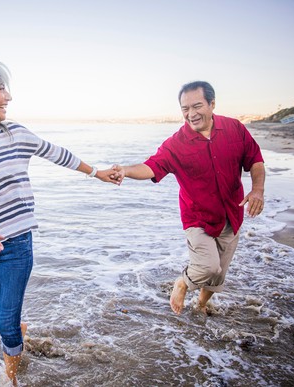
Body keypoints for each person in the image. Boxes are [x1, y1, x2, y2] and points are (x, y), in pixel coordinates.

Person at [0, 59, 118, 385]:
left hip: (17, 244)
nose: (8, 96)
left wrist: (97, 173)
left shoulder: (15, 135)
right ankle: (16, 331)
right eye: (1, 89)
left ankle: (10, 380)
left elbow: (57, 153)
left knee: (7, 324)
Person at [111, 81, 265, 315]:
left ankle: (201, 305)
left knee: (218, 273)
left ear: (212, 104)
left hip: (232, 214)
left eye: (197, 106)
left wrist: (257, 190)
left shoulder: (234, 128)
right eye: (185, 109)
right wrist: (125, 170)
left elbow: (255, 159)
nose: (191, 114)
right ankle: (182, 283)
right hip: (198, 217)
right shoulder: (176, 143)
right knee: (208, 266)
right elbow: (152, 166)